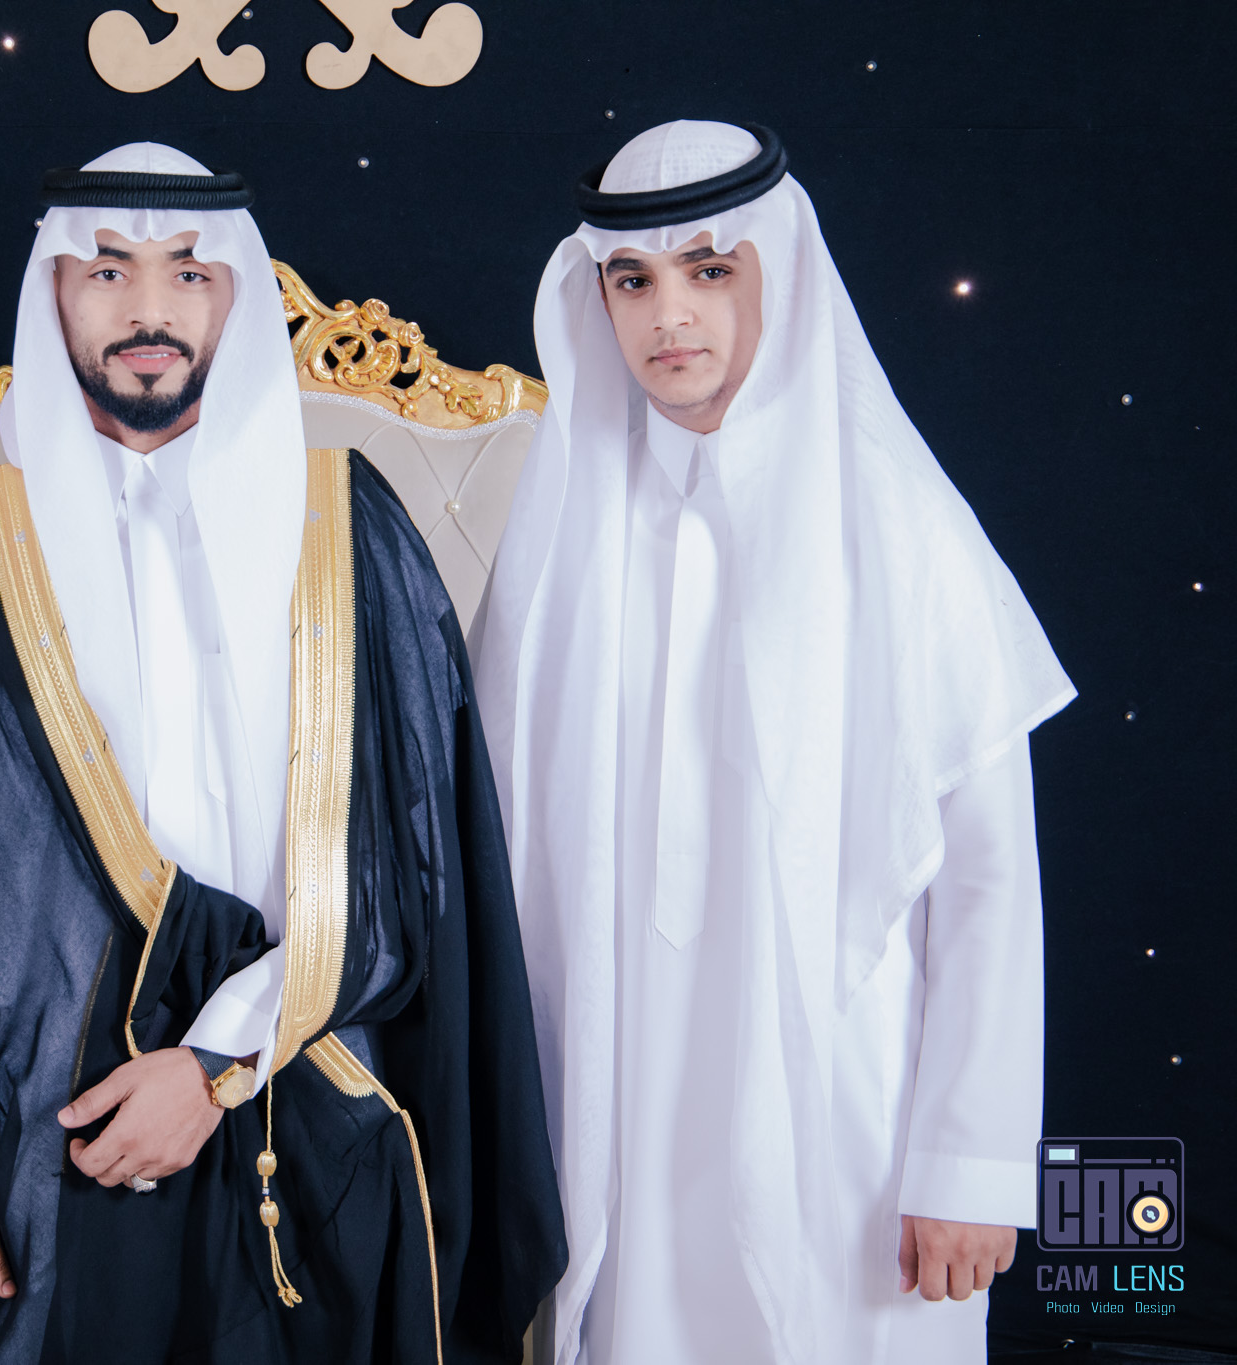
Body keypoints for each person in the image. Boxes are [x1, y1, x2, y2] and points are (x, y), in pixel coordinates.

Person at [0, 142, 566, 1363]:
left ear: (236, 294)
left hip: (309, 1091)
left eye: (188, 273)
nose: (149, 309)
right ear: (52, 292)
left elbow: (413, 855)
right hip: (51, 1130)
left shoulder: (348, 525)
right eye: (107, 271)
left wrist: (215, 1058)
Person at [474, 120, 1076, 1365]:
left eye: (708, 270)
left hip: (849, 1113)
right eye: (631, 280)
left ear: (779, 273)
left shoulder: (899, 530)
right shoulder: (561, 535)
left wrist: (965, 1160)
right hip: (620, 1094)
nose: (666, 315)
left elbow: (986, 879)